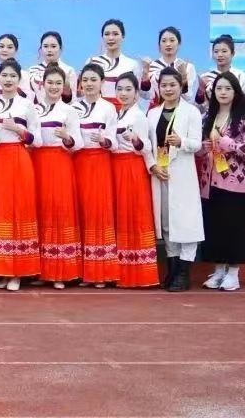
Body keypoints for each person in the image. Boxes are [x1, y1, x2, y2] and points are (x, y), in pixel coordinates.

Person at [198, 72, 245, 292]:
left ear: (236, 92)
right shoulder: (208, 117)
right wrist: (203, 148)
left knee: (234, 228)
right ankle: (218, 270)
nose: (223, 92)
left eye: (227, 88)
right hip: (209, 181)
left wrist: (229, 144)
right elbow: (200, 147)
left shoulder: (243, 120)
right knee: (214, 227)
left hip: (235, 183)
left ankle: (233, 273)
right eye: (219, 88)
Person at [146, 67, 204, 292]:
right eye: (164, 85)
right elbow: (148, 144)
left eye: (172, 85)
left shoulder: (191, 112)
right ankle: (172, 267)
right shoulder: (153, 114)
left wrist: (182, 142)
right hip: (160, 173)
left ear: (181, 87)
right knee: (167, 222)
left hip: (182, 173)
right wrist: (153, 165)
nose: (168, 89)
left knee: (186, 222)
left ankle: (183, 272)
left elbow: (197, 144)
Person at [0, 58, 41, 291]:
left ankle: (18, 272)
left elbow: (38, 140)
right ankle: (2, 269)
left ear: (19, 79)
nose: (8, 80)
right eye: (4, 75)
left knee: (19, 210)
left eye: (13, 76)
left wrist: (18, 129)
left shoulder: (26, 105)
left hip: (18, 158)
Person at [32, 65, 82, 289]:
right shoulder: (33, 109)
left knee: (58, 212)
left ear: (64, 87)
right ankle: (40, 271)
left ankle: (60, 272)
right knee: (39, 212)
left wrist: (67, 138)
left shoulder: (69, 111)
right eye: (50, 83)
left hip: (59, 163)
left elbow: (78, 143)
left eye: (58, 83)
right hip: (36, 162)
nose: (53, 87)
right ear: (42, 84)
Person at [72, 63, 120, 287]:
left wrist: (104, 140)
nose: (89, 84)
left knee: (98, 213)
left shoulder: (109, 108)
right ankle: (82, 271)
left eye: (93, 80)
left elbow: (114, 142)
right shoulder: (73, 107)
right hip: (77, 162)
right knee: (80, 213)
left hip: (99, 163)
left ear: (102, 82)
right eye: (85, 80)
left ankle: (100, 272)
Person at [111, 73, 159, 288]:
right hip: (116, 166)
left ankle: (138, 274)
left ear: (137, 93)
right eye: (120, 89)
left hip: (131, 167)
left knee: (133, 215)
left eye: (128, 89)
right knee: (121, 216)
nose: (123, 93)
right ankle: (120, 270)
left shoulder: (138, 116)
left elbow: (146, 147)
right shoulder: (117, 113)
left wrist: (136, 140)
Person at [86, 18, 143, 110]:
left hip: (124, 112)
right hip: (98, 112)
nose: (111, 38)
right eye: (107, 34)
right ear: (102, 37)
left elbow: (137, 95)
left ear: (123, 36)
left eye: (115, 34)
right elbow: (83, 92)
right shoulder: (92, 62)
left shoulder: (132, 64)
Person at [141, 26, 198, 108]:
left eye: (172, 40)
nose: (168, 44)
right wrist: (145, 74)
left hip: (180, 111)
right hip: (156, 111)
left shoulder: (188, 67)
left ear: (179, 44)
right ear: (159, 46)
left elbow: (189, 98)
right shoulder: (151, 66)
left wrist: (183, 76)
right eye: (164, 41)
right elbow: (146, 95)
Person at [196, 34, 245, 112]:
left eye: (224, 51)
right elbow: (199, 109)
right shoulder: (206, 77)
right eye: (216, 52)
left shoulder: (241, 76)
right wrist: (201, 94)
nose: (220, 55)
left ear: (233, 53)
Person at [26, 31, 77, 106]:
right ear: (41, 49)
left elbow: (73, 101)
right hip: (36, 110)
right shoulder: (32, 70)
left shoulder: (68, 71)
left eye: (53, 46)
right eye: (45, 46)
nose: (49, 50)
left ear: (60, 48)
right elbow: (28, 96)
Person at [0, 34, 31, 99]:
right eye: (1, 46)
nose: (5, 50)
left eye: (9, 47)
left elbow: (27, 97)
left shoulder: (23, 75)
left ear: (16, 50)